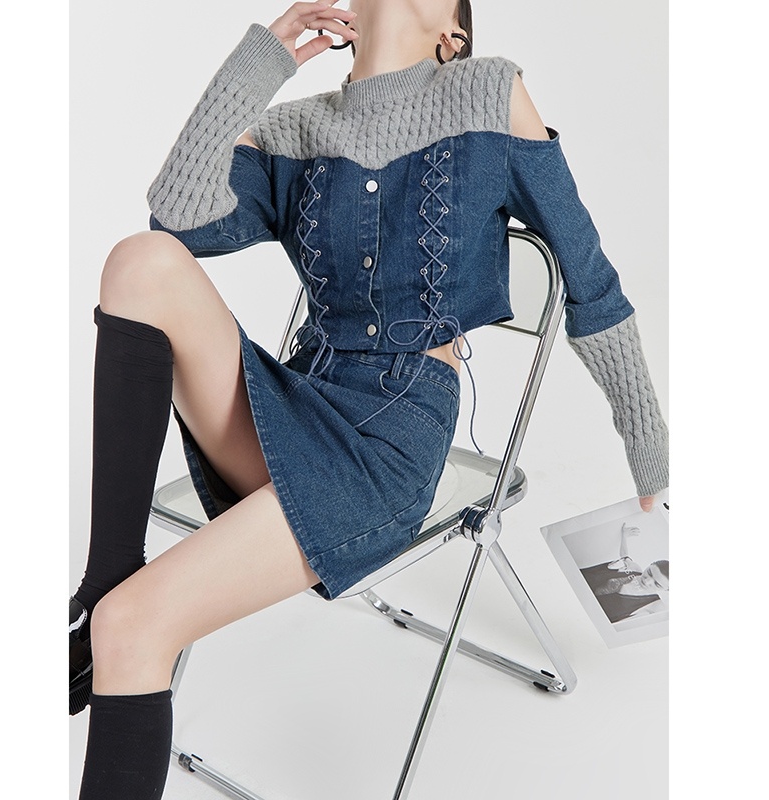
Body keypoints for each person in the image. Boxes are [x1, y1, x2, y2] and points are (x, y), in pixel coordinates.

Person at [70, 2, 670, 796]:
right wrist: (262, 60)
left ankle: (108, 618)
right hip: (295, 400)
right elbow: (174, 219)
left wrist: (648, 443)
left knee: (132, 627)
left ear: (451, 37)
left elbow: (589, 281)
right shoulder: (298, 126)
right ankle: (105, 576)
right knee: (141, 261)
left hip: (390, 440)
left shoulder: (487, 91)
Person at [580, 523, 670, 623]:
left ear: (666, 589)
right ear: (649, 565)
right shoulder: (635, 569)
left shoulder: (655, 605)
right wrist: (624, 536)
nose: (647, 581)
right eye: (649, 572)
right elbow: (625, 555)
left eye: (657, 584)